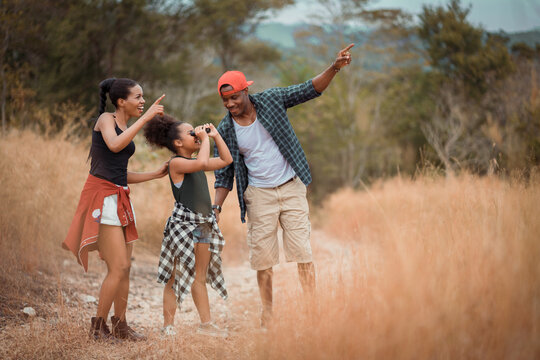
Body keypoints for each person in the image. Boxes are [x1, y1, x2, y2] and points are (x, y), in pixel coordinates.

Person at [212, 44, 354, 329]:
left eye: (234, 97)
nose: (230, 104)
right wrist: (216, 206)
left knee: (303, 252)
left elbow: (309, 89)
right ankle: (268, 314)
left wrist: (334, 68)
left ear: (245, 92)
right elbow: (224, 174)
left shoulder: (273, 100)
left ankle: (312, 311)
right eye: (225, 100)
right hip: (259, 195)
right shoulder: (225, 130)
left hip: (291, 187)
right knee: (263, 259)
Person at [62, 78, 168, 342]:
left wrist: (154, 175)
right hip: (102, 198)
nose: (143, 101)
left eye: (143, 97)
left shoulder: (125, 125)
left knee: (126, 267)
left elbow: (119, 173)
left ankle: (120, 325)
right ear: (121, 101)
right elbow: (114, 145)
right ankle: (97, 329)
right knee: (118, 265)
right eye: (138, 97)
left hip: (118, 196)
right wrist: (145, 121)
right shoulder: (106, 120)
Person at [143, 114, 233, 338]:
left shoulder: (195, 163)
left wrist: (215, 135)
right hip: (183, 225)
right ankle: (168, 325)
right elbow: (203, 162)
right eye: (191, 132)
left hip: (203, 224)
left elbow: (226, 160)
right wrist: (205, 139)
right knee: (175, 277)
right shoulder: (176, 163)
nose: (196, 134)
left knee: (199, 277)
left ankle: (206, 324)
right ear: (178, 143)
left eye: (196, 131)